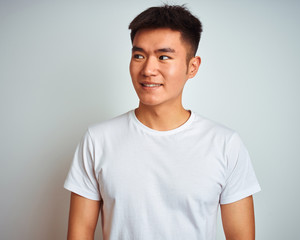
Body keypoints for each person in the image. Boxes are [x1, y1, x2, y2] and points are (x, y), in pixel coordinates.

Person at [64, 4, 261, 240]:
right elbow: (80, 233)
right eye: (139, 55)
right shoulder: (98, 140)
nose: (148, 69)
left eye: (163, 57)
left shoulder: (225, 144)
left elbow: (241, 236)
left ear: (193, 66)